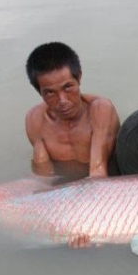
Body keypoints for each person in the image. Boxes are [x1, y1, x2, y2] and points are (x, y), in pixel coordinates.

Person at [25, 42, 120, 179]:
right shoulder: (35, 119)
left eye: (68, 87)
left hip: (105, 183)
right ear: (39, 91)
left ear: (79, 77)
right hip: (64, 187)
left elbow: (98, 173)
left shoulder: (100, 110)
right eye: (50, 93)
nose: (62, 100)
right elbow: (43, 175)